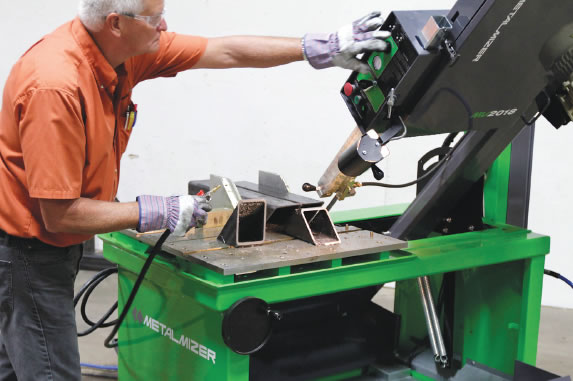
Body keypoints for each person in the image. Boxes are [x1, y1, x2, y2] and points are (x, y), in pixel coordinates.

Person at [0, 0, 390, 379]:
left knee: (14, 363)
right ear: (116, 23)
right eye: (155, 18)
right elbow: (59, 212)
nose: (165, 27)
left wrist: (317, 46)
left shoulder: (121, 51)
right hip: (31, 254)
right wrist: (156, 210)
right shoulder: (56, 86)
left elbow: (226, 51)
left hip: (49, 246)